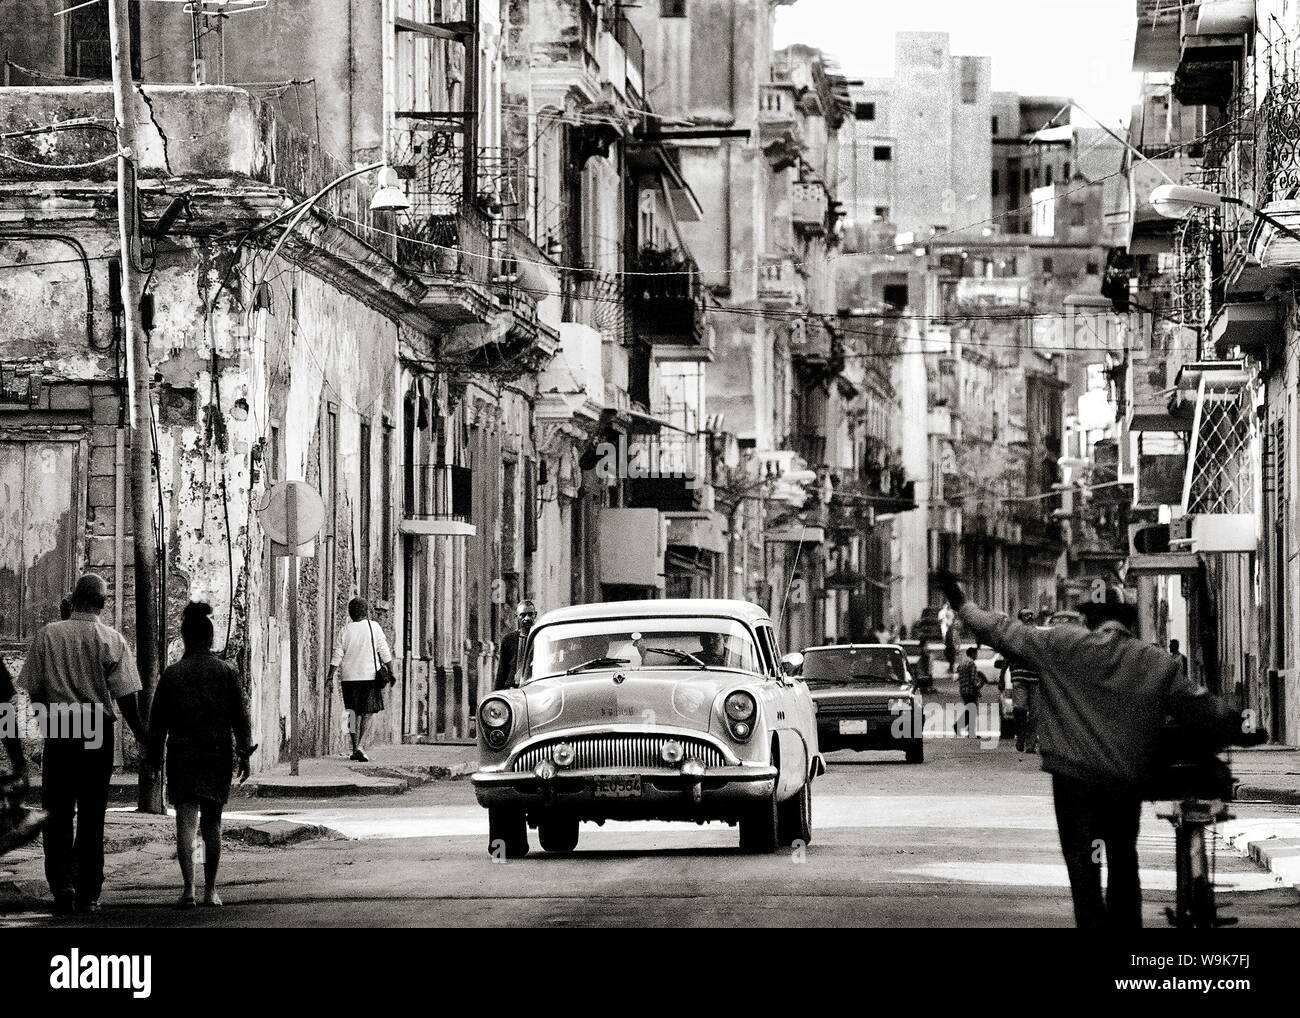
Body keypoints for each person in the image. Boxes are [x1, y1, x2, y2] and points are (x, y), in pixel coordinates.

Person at [936, 570, 1261, 929]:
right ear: (1130, 622)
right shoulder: (1154, 662)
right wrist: (1245, 727)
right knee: (1123, 862)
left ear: (1089, 621)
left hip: (1074, 786)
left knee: (1085, 872)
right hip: (1123, 788)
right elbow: (1203, 707)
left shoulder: (1060, 646)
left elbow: (999, 629)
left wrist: (959, 600)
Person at [16, 573, 146, 915]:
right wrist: (143, 736)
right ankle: (89, 892)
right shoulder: (111, 640)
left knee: (57, 812)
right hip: (95, 730)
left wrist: (46, 720)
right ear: (103, 603)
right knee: (92, 814)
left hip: (59, 727)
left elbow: (33, 687)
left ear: (73, 599)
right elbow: (127, 696)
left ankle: (62, 886)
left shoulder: (47, 636)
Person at [145, 603, 254, 908]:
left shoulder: (172, 675)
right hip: (217, 753)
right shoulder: (226, 672)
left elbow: (158, 723)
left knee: (186, 824)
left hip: (182, 754)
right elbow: (240, 718)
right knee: (212, 825)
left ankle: (188, 889)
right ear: (210, 639)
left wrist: (153, 759)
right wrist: (244, 754)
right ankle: (211, 890)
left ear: (185, 638)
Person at [328, 598, 393, 763]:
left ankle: (353, 746)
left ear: (350, 613)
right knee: (368, 712)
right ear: (366, 611)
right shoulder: (374, 627)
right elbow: (383, 650)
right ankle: (361, 746)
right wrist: (391, 670)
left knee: (349, 713)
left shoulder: (345, 630)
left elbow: (337, 654)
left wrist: (330, 676)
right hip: (369, 676)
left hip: (348, 677)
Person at [1008, 609, 1042, 754]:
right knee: (1019, 710)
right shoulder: (1014, 636)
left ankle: (1031, 744)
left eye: (1031, 614)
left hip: (1035, 679)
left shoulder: (1039, 635)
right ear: (1020, 618)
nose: (1030, 617)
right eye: (1026, 615)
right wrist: (1003, 674)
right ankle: (1021, 735)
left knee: (1035, 714)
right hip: (1019, 677)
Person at [494, 600, 538, 691]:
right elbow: (502, 671)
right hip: (513, 689)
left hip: (535, 686)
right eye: (523, 615)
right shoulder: (508, 640)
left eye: (530, 614)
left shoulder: (541, 637)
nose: (527, 618)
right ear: (516, 616)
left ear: (535, 615)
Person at [954, 645, 983, 738]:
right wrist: (980, 685)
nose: (977, 656)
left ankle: (968, 731)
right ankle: (961, 727)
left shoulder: (962, 663)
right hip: (970, 690)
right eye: (976, 654)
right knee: (972, 711)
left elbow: (958, 676)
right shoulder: (971, 663)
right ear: (972, 654)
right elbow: (974, 679)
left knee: (970, 710)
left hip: (963, 689)